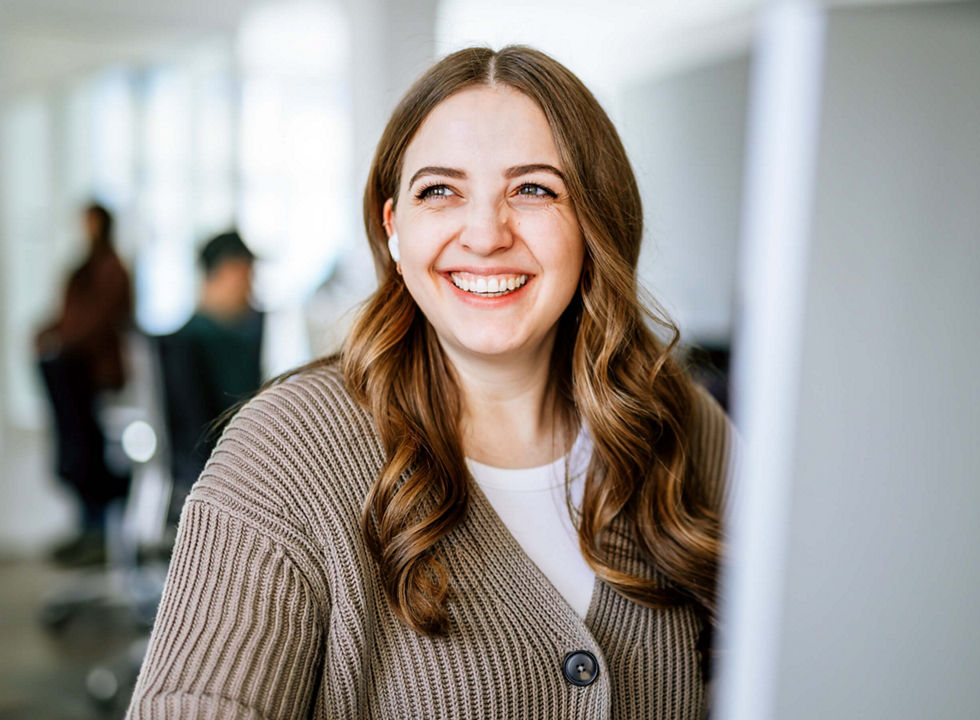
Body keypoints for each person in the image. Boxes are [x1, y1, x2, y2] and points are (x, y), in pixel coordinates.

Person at [128, 46, 735, 719]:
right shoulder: (285, 453)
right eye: (439, 190)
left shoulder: (687, 428)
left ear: (595, 221)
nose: (484, 235)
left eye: (534, 188)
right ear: (394, 226)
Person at [36, 202, 133, 566]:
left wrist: (65, 339)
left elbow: (98, 320)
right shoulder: (82, 269)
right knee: (76, 452)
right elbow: (66, 316)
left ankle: (101, 533)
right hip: (70, 373)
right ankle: (88, 528)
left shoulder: (113, 270)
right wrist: (46, 335)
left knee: (91, 453)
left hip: (96, 377)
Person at [159, 231, 264, 492]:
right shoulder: (195, 343)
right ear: (226, 273)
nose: (251, 289)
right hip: (218, 472)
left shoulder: (229, 335)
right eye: (246, 276)